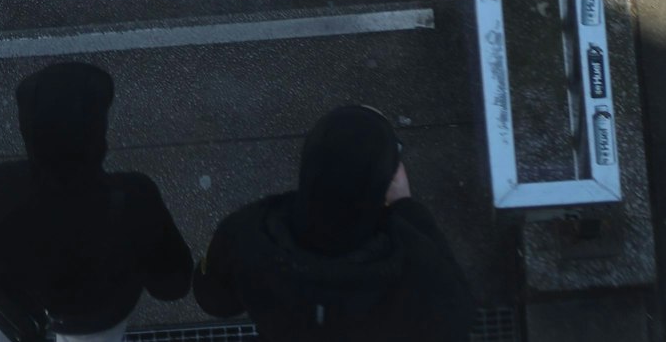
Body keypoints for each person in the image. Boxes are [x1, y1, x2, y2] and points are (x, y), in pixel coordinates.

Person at [0, 62, 194, 342]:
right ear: (97, 135)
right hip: (93, 321)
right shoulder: (135, 198)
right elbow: (172, 285)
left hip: (11, 311)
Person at [193, 104, 474, 341]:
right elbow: (456, 315)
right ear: (384, 182)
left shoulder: (249, 232)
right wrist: (405, 208)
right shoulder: (420, 269)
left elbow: (214, 300)